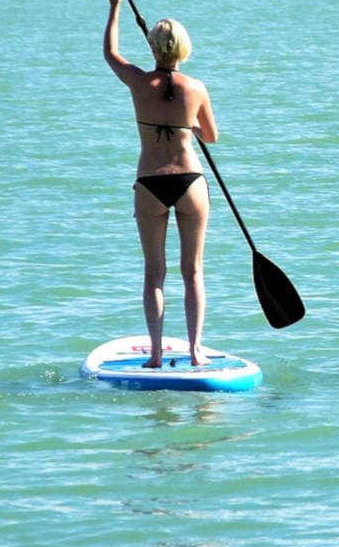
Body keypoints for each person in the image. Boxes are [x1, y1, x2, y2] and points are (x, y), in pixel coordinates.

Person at [103, 0, 218, 367]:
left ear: (152, 47)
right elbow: (211, 137)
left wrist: (115, 8)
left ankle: (154, 354)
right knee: (193, 271)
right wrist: (186, 125)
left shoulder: (138, 82)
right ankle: (196, 351)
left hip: (150, 183)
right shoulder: (196, 87)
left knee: (155, 274)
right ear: (183, 49)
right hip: (190, 182)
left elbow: (110, 52)